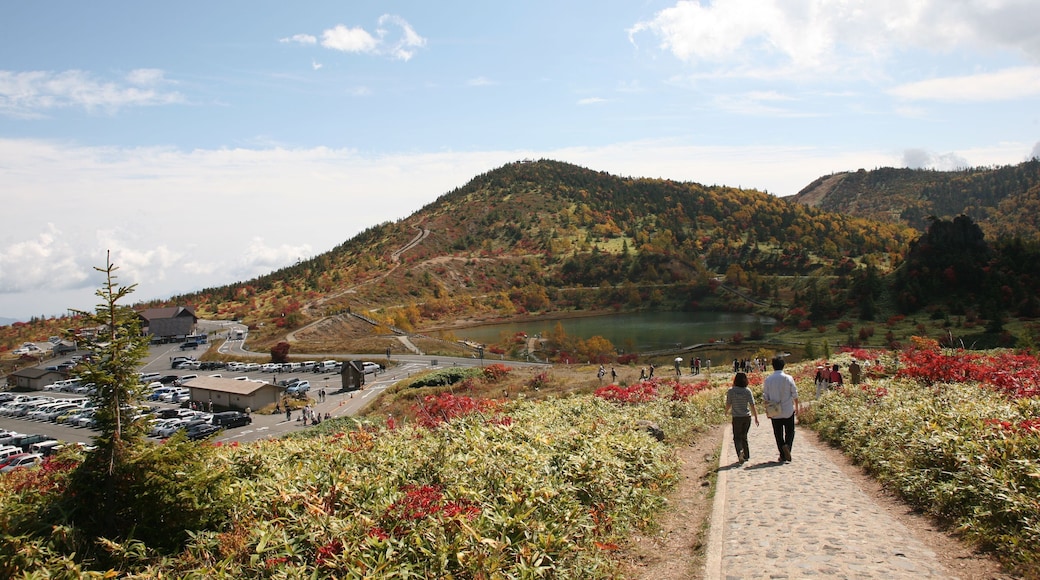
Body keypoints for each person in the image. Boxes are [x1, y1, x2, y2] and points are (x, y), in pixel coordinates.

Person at [763, 356, 800, 463]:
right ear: (783, 365)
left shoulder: (768, 379)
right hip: (788, 409)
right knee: (790, 431)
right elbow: (795, 394)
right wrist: (796, 407)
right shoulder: (788, 378)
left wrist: (767, 410)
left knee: (778, 433)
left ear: (773, 366)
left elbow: (766, 396)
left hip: (775, 411)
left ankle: (782, 453)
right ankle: (787, 446)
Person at [725, 372, 759, 464]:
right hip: (747, 417)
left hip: (737, 417)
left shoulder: (731, 391)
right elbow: (752, 405)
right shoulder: (747, 391)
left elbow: (728, 403)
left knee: (737, 437)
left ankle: (740, 451)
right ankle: (746, 455)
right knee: (744, 436)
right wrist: (756, 417)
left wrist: (726, 412)